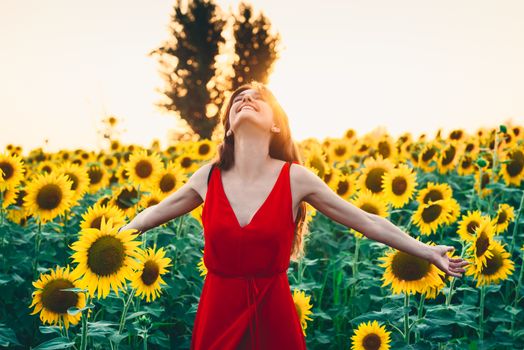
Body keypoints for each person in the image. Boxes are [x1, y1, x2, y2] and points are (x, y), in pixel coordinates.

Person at [120, 81, 469, 349]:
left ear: (277, 126)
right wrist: (113, 239)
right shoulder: (207, 178)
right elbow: (151, 215)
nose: (245, 99)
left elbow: (367, 221)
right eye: (238, 99)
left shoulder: (296, 178)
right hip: (218, 313)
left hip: (274, 312)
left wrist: (426, 251)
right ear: (228, 126)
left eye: (257, 98)